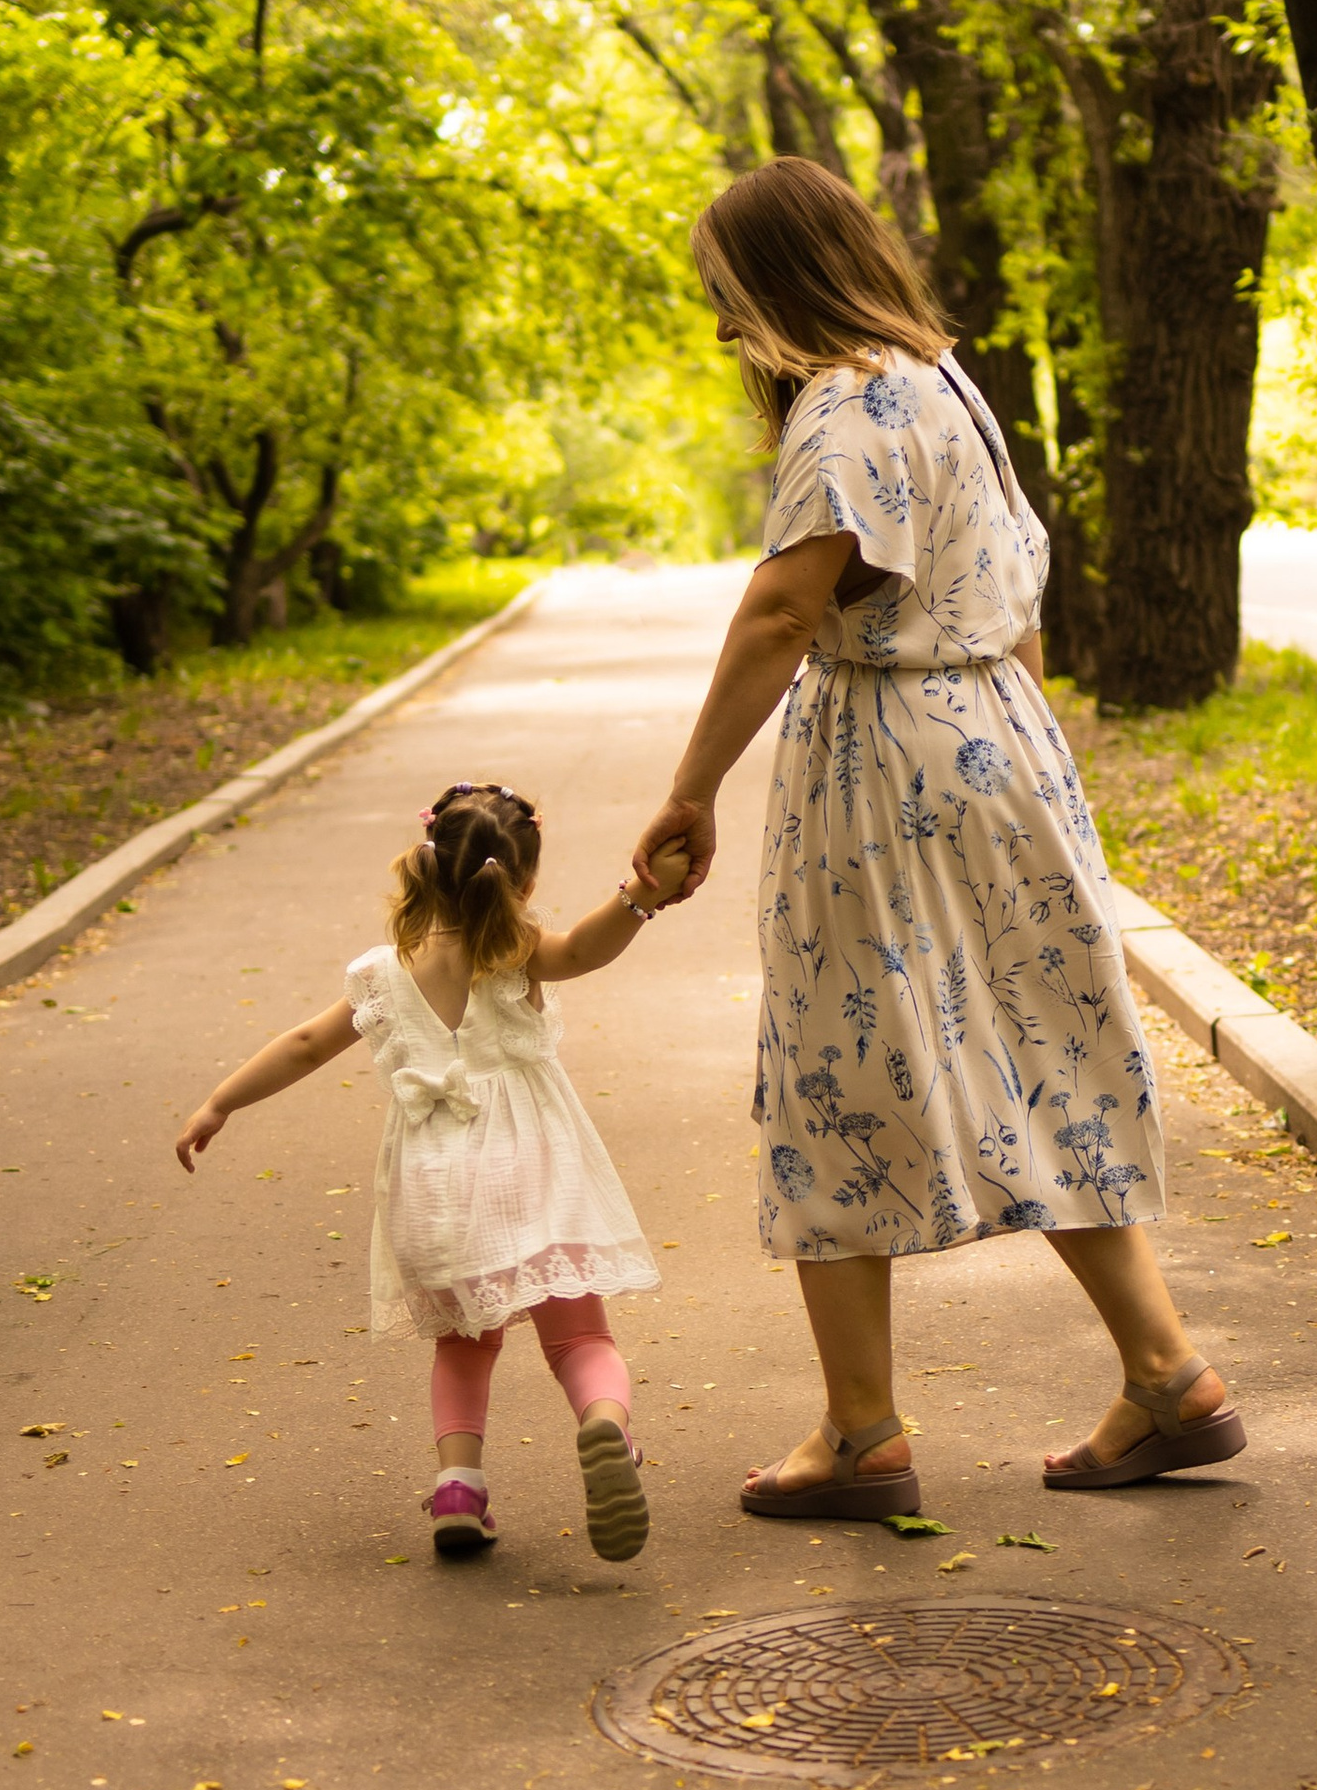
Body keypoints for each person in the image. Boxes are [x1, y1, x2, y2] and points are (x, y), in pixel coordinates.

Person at [631, 158, 1245, 1512]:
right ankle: (1167, 1373)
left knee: (835, 1064)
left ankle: (862, 1431)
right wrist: (1018, 760)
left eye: (728, 294)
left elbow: (784, 612)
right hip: (1000, 738)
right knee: (1042, 1042)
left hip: (885, 755)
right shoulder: (945, 385)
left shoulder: (844, 409)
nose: (723, 325)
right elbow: (1018, 600)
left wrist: (692, 789)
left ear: (780, 279)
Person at [176, 782, 688, 1563]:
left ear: (427, 867)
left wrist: (221, 1102)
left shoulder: (383, 973)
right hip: (534, 1171)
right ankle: (605, 1426)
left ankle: (458, 1489)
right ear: (522, 882)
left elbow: (306, 1044)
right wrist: (641, 894)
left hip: (437, 1188)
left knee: (463, 1345)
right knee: (580, 1335)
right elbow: (587, 948)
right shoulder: (516, 951)